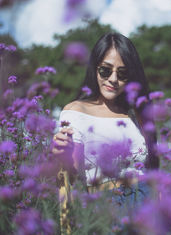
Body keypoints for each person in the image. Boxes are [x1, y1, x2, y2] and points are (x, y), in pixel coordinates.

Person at [52, 32, 159, 195]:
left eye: (122, 73)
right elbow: (70, 179)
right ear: (95, 68)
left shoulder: (135, 114)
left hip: (147, 209)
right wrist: (61, 156)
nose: (113, 79)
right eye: (105, 70)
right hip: (105, 210)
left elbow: (152, 174)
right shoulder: (76, 112)